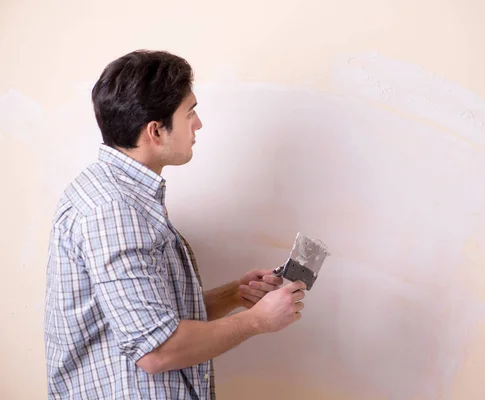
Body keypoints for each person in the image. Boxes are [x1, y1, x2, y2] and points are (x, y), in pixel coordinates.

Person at [44, 49, 306, 399]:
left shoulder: (119, 195)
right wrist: (257, 321)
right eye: (190, 112)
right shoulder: (114, 210)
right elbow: (157, 350)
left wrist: (235, 294)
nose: (198, 123)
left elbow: (147, 316)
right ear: (156, 131)